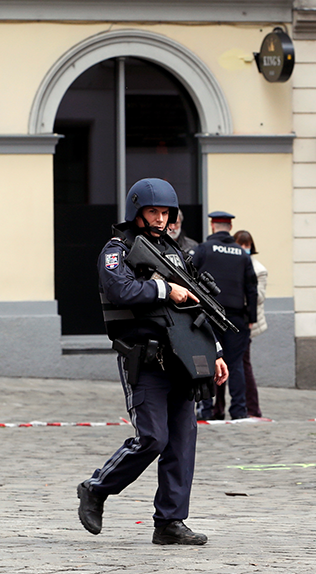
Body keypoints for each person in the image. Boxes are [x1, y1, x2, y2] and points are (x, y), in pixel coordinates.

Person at [77, 178, 228, 545]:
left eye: (165, 213)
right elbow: (119, 289)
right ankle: (96, 488)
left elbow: (196, 308)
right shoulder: (118, 250)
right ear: (137, 212)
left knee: (181, 443)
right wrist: (165, 289)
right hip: (144, 361)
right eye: (153, 212)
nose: (160, 219)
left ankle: (170, 523)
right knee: (153, 439)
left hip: (182, 361)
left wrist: (216, 352)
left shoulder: (175, 252)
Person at [192, 211, 258, 421]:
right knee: (236, 364)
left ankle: (207, 410)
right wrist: (252, 317)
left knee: (207, 361)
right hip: (236, 318)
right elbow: (252, 287)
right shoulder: (241, 253)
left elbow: (188, 278)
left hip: (208, 316)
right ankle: (238, 411)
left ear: (213, 225)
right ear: (230, 227)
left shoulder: (203, 249)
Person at [233, 230, 268, 418]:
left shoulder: (258, 269)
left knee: (243, 365)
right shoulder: (230, 264)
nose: (243, 249)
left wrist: (247, 285)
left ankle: (253, 408)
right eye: (240, 245)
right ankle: (219, 408)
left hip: (247, 322)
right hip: (232, 319)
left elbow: (260, 296)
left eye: (246, 245)